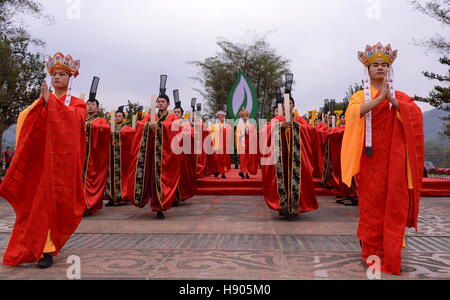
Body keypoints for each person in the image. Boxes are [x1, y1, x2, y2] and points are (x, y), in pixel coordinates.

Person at [341, 43, 424, 275]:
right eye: (375, 64)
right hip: (370, 160)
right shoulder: (360, 96)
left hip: (394, 161)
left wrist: (392, 100)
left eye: (384, 65)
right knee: (372, 206)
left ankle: (392, 247)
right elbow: (353, 114)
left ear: (389, 68)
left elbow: (414, 115)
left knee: (394, 203)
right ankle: (371, 248)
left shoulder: (400, 96)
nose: (380, 68)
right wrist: (380, 100)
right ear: (367, 69)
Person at [0, 52, 85, 269]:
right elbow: (25, 120)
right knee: (39, 207)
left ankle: (51, 243)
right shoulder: (42, 101)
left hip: (62, 167)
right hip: (42, 166)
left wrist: (51, 105)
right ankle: (44, 249)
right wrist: (42, 105)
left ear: (70, 78)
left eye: (61, 74)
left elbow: (74, 123)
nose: (56, 78)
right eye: (54, 74)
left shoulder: (77, 104)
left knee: (55, 207)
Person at [261, 96, 319, 219]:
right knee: (282, 180)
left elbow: (310, 129)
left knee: (295, 180)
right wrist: (279, 126)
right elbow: (264, 129)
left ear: (293, 105)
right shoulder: (277, 119)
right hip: (281, 158)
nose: (289, 105)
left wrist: (297, 126)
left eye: (291, 103)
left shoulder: (299, 119)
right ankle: (283, 207)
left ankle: (294, 207)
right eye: (285, 103)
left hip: (295, 158)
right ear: (281, 106)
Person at [128, 92, 181, 220]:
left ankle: (160, 207)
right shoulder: (150, 116)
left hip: (165, 155)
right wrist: (147, 125)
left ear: (168, 104)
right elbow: (139, 125)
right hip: (150, 154)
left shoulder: (173, 117)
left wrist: (159, 126)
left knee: (162, 180)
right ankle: (152, 203)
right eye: (159, 101)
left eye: (163, 102)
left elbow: (176, 127)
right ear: (156, 104)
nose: (160, 103)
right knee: (150, 179)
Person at [83, 98, 111, 216]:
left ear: (97, 108)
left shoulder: (100, 120)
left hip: (93, 158)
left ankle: (88, 205)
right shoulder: (81, 119)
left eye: (93, 104)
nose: (90, 106)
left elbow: (106, 130)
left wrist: (90, 127)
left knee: (90, 180)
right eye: (88, 104)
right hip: (80, 156)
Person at [105, 107, 136, 206]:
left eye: (120, 116)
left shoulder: (126, 128)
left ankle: (122, 196)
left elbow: (131, 137)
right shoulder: (110, 128)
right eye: (116, 116)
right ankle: (111, 197)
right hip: (111, 157)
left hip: (122, 158)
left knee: (122, 176)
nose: (118, 118)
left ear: (124, 118)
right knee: (110, 176)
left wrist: (118, 134)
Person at [236, 108, 259, 179]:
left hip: (249, 144)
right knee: (242, 158)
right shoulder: (239, 126)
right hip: (242, 145)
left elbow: (254, 134)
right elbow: (237, 135)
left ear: (248, 116)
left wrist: (248, 131)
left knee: (248, 159)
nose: (244, 118)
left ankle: (246, 173)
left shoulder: (251, 125)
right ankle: (243, 171)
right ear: (241, 117)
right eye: (242, 116)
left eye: (245, 116)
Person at [209, 111, 232, 179]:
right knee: (216, 159)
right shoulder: (214, 126)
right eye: (219, 117)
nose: (220, 118)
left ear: (224, 117)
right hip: (217, 146)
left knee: (224, 160)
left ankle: (223, 173)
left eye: (221, 117)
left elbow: (229, 134)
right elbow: (210, 134)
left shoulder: (227, 126)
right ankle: (216, 171)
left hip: (224, 146)